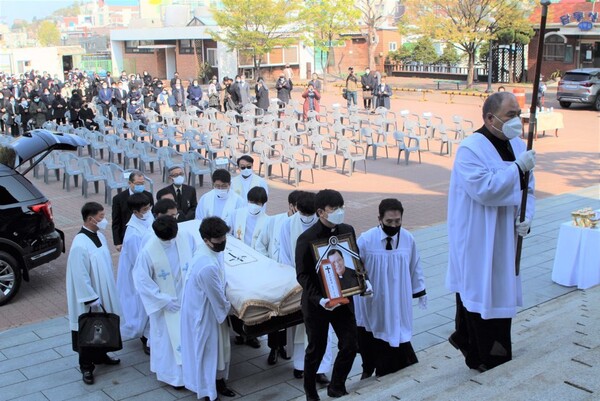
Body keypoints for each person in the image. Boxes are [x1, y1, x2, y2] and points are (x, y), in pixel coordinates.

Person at [446, 92, 536, 373]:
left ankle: (497, 351)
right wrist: (516, 170)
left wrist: (527, 217)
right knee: (477, 292)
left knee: (500, 292)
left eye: (518, 114)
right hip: (477, 235)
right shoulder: (471, 149)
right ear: (489, 118)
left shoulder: (519, 146)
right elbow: (483, 190)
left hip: (506, 235)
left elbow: (528, 189)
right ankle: (478, 354)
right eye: (510, 115)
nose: (516, 120)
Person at [295, 189, 359, 400]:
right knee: (316, 350)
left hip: (343, 298)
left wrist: (362, 281)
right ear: (321, 212)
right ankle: (310, 392)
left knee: (350, 344)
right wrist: (319, 299)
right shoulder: (306, 238)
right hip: (318, 304)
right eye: (335, 209)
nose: (340, 212)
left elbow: (354, 260)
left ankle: (337, 385)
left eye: (341, 207)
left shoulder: (347, 230)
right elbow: (302, 275)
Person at [355, 198, 426, 379]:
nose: (394, 225)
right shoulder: (366, 239)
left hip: (398, 294)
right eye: (389, 222)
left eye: (397, 221)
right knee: (372, 329)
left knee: (396, 325)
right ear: (380, 219)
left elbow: (414, 265)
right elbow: (355, 267)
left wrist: (419, 290)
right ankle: (368, 366)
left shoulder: (408, 239)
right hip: (374, 297)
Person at [133, 215, 196, 389]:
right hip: (165, 304)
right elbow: (141, 280)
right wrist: (162, 300)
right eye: (166, 239)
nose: (170, 241)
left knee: (187, 338)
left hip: (186, 299)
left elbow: (195, 259)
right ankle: (172, 377)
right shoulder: (148, 250)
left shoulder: (185, 237)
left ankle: (190, 372)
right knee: (168, 341)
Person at [278, 192, 333, 384]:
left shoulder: (325, 224)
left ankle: (322, 368)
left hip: (324, 282)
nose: (307, 218)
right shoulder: (287, 224)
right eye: (304, 214)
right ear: (297, 209)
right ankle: (301, 365)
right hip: (298, 281)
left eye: (311, 215)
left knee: (323, 326)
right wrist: (296, 279)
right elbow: (284, 254)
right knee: (303, 326)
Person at [66, 202, 122, 385]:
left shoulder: (99, 236)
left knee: (103, 326)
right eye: (101, 216)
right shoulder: (79, 244)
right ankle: (86, 367)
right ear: (90, 219)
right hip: (90, 297)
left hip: (103, 290)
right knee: (88, 330)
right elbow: (79, 274)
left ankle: (101, 355)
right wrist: (91, 297)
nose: (104, 220)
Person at [181, 217, 236, 401]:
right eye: (218, 240)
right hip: (204, 313)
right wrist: (233, 309)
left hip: (212, 309)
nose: (222, 242)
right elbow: (217, 298)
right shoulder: (206, 264)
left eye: (223, 238)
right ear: (206, 240)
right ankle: (207, 392)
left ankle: (219, 380)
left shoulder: (211, 251)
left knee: (221, 347)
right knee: (208, 351)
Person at [226, 186, 270, 350]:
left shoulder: (267, 220)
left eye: (258, 202)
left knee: (252, 301)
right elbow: (228, 234)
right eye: (251, 201)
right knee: (237, 298)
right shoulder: (237, 214)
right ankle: (238, 332)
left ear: (263, 203)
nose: (254, 205)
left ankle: (253, 334)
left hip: (255, 267)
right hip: (237, 264)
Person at [116, 193, 154, 353]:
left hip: (151, 268)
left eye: (149, 207)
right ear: (136, 212)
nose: (148, 211)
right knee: (142, 307)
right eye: (145, 209)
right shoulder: (132, 233)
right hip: (138, 274)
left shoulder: (148, 218)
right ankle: (145, 338)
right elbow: (137, 260)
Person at [111, 171, 154, 251]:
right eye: (138, 184)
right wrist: (117, 242)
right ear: (130, 183)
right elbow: (116, 221)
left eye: (142, 183)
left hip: (146, 235)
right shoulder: (119, 199)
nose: (140, 186)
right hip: (128, 236)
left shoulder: (148, 195)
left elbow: (152, 214)